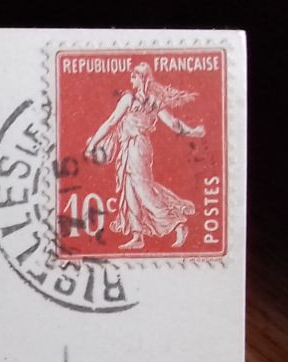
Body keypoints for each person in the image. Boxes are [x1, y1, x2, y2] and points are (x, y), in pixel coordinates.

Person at [84, 62, 207, 251]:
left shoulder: (131, 99)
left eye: (133, 76)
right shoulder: (153, 100)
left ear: (141, 78)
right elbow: (174, 124)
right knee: (129, 189)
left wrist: (93, 143)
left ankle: (176, 223)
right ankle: (137, 235)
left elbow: (111, 122)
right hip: (130, 147)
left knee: (143, 189)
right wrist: (192, 132)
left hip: (138, 147)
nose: (130, 80)